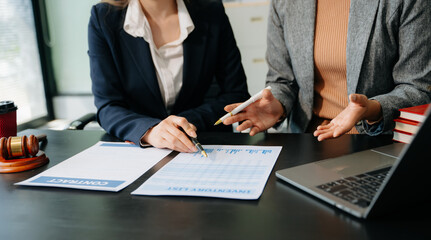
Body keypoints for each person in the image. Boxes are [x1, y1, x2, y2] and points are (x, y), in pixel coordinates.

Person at [222, 0, 431, 141]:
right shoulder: (285, 3)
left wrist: (373, 109)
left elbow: (418, 87)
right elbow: (282, 80)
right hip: (305, 141)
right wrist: (277, 105)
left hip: (374, 142)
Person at [88, 0, 250, 152]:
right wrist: (150, 130)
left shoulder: (211, 11)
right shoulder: (104, 18)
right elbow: (108, 106)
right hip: (140, 149)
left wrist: (181, 124)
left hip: (201, 143)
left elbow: (235, 94)